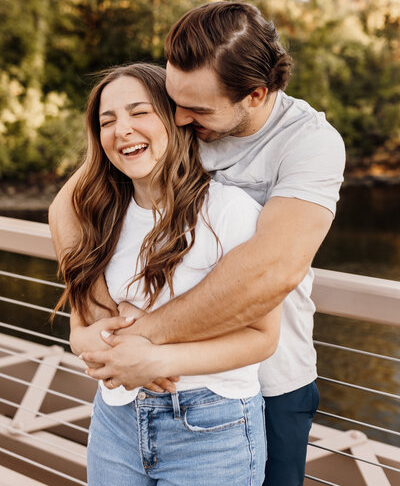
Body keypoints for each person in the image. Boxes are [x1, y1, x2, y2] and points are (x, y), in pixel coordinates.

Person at [50, 1, 346, 486]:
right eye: (172, 99)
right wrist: (104, 319)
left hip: (268, 379)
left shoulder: (308, 144)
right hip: (145, 388)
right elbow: (67, 208)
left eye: (196, 108)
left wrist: (141, 341)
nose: (180, 117)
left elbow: (270, 271)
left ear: (255, 95)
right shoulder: (171, 115)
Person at [53, 62, 282, 485]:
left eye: (139, 112)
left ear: (175, 118)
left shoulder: (230, 212)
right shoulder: (101, 217)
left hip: (211, 428)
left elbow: (263, 337)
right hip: (116, 419)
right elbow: (80, 326)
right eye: (108, 120)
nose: (122, 129)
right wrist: (87, 340)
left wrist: (157, 359)